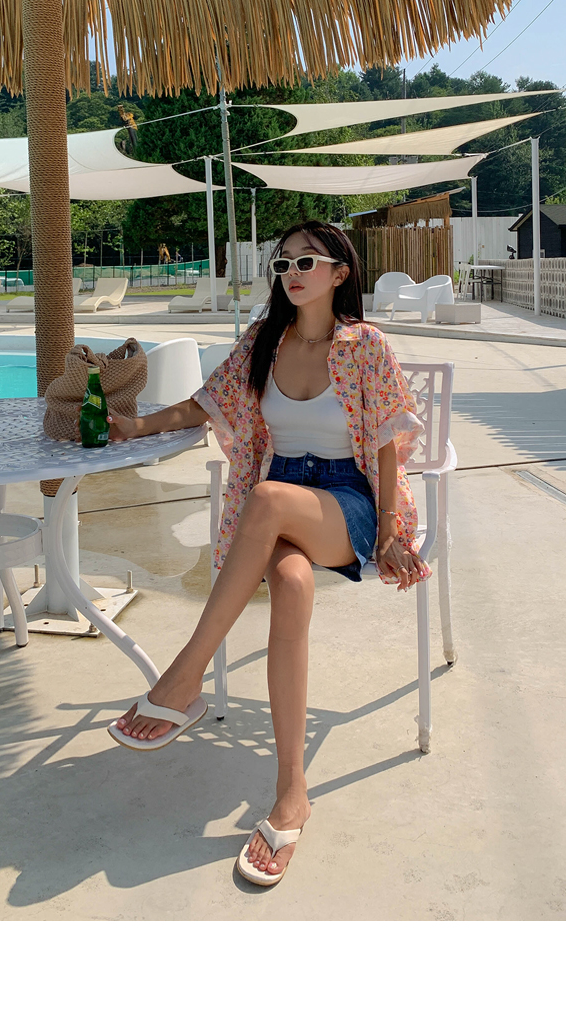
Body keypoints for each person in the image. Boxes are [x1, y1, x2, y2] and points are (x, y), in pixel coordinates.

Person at [105, 219, 430, 886]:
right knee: (290, 583)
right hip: (280, 504)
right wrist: (135, 426)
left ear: (340, 273)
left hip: (345, 502)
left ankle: (184, 679)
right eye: (283, 264)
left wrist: (390, 532)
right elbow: (203, 405)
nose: (292, 274)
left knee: (266, 498)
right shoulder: (264, 341)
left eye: (307, 262)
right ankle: (291, 793)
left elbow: (388, 440)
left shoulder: (365, 344)